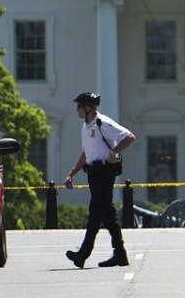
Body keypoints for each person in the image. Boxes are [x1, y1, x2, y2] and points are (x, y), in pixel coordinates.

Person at [64, 92, 135, 268]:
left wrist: (114, 152)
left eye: (79, 106)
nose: (77, 109)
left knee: (96, 212)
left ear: (88, 107)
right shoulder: (85, 127)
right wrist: (72, 173)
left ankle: (83, 254)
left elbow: (129, 137)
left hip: (104, 172)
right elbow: (85, 153)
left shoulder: (102, 123)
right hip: (93, 174)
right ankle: (120, 254)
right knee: (106, 215)